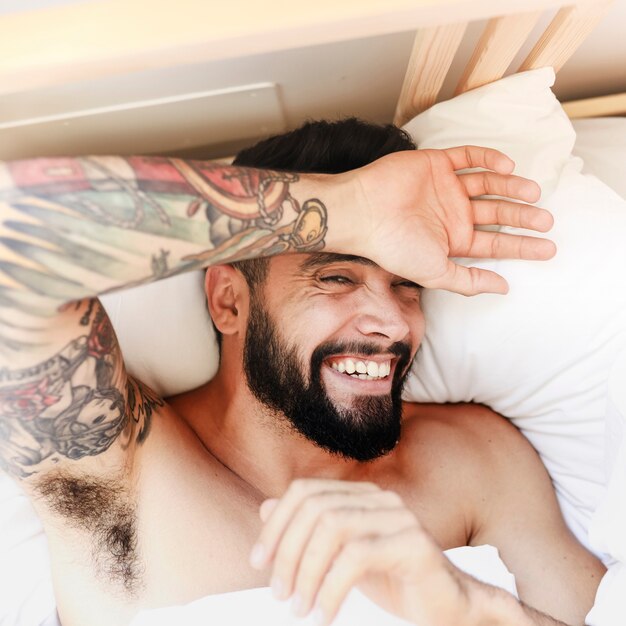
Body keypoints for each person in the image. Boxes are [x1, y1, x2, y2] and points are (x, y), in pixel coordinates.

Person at [0, 119, 602, 626]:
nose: (391, 323)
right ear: (229, 302)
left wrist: (468, 606)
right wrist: (355, 209)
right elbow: (11, 239)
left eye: (407, 284)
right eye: (335, 278)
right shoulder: (123, 473)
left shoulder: (472, 460)